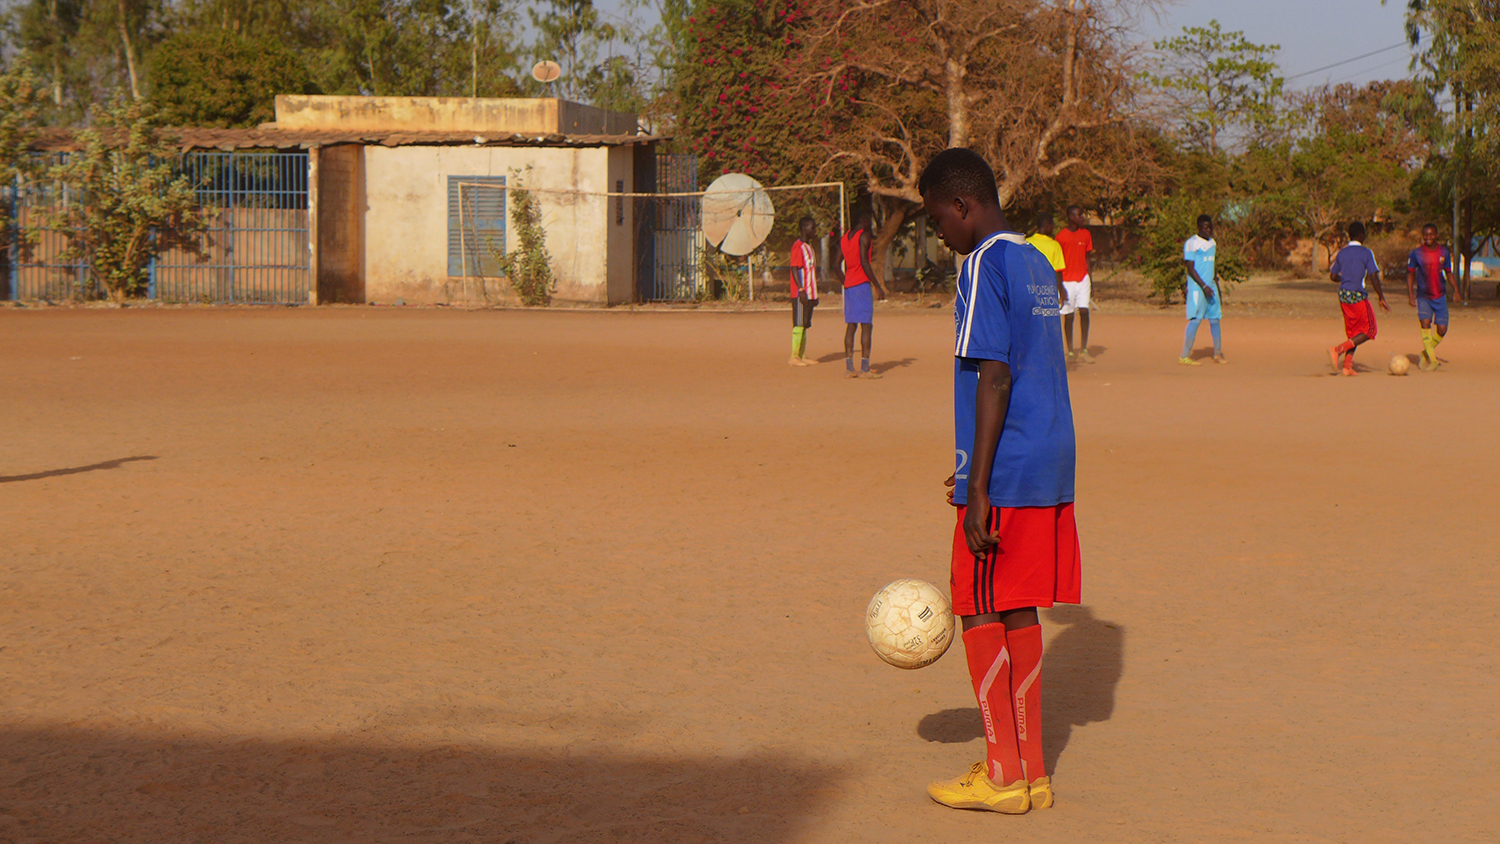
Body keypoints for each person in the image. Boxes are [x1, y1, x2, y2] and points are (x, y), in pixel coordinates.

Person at [918, 148, 1081, 815]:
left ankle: (1001, 774)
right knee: (1018, 604)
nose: (939, 235)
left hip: (1006, 467)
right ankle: (1031, 771)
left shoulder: (983, 261)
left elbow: (993, 374)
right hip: (1048, 456)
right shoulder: (1037, 259)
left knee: (978, 602)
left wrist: (977, 483)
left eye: (937, 221)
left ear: (963, 206)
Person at [1327, 221, 1390, 376]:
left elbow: (1333, 276)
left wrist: (1345, 280)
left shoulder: (1342, 252)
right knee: (1370, 330)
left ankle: (1347, 366)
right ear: (1362, 235)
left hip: (1343, 295)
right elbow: (1373, 275)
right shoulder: (1366, 252)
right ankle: (1338, 350)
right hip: (1357, 295)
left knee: (1354, 334)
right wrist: (1381, 296)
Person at [840, 210, 887, 379]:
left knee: (851, 326)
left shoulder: (845, 238)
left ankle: (849, 367)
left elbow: (835, 264)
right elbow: (864, 262)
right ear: (865, 221)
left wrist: (845, 280)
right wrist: (877, 285)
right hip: (861, 285)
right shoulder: (864, 236)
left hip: (849, 286)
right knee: (866, 326)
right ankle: (865, 368)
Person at [1406, 223, 1453, 370]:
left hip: (1439, 295)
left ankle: (1425, 353)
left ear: (1436, 235)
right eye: (1425, 235)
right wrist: (1410, 294)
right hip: (1423, 296)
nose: (1428, 237)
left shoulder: (1444, 252)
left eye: (1431, 234)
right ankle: (1433, 361)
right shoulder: (1416, 253)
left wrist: (1456, 290)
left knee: (1442, 330)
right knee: (1425, 323)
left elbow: (1449, 272)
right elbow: (1410, 274)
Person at [1179, 214, 1225, 365]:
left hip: (1210, 286)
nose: (1208, 230)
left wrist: (1216, 287)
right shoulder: (1191, 243)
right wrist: (1203, 286)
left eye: (1210, 228)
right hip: (1198, 287)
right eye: (1205, 227)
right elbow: (1190, 269)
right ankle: (1185, 356)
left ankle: (1217, 354)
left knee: (1215, 319)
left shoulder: (1213, 243)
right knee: (1196, 319)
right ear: (1199, 227)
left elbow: (1213, 267)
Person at [1054, 205, 1094, 362]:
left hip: (1083, 278)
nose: (1082, 217)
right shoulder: (1061, 237)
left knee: (1084, 312)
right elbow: (1058, 262)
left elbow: (1088, 257)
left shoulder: (1086, 234)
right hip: (1067, 281)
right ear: (1071, 217)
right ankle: (1070, 351)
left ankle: (1084, 349)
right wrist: (1060, 286)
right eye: (1079, 215)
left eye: (1082, 214)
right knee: (1068, 316)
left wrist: (1091, 279)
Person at [788, 216, 820, 367]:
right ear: (804, 228)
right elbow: (794, 268)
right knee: (799, 323)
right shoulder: (798, 246)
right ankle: (794, 356)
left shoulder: (809, 247)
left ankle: (802, 354)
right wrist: (801, 289)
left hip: (810, 292)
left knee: (805, 323)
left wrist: (814, 294)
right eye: (812, 228)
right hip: (801, 292)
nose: (814, 231)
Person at [1025, 212, 1066, 303]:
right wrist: (1061, 291)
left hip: (1029, 288)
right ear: (1048, 225)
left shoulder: (1026, 242)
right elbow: (1057, 272)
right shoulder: (1054, 245)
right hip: (1047, 289)